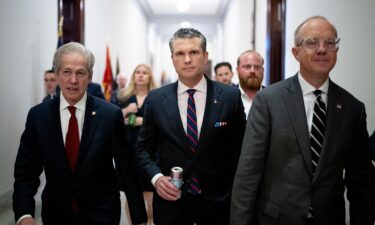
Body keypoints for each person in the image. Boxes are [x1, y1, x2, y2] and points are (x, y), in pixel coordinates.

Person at [230, 16, 375, 225]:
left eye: (330, 42)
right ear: (296, 53)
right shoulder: (269, 100)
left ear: (337, 50)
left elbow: (361, 181)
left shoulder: (353, 109)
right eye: (312, 42)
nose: (322, 49)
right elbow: (248, 173)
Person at [13, 42, 147, 225]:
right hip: (55, 215)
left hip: (102, 216)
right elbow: (25, 174)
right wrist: (24, 215)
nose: (73, 80)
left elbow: (127, 172)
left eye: (80, 73)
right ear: (57, 74)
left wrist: (139, 220)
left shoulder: (110, 115)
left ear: (90, 76)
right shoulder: (38, 116)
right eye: (67, 72)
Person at [136, 28, 246, 225]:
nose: (187, 59)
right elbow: (143, 149)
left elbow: (240, 150)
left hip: (218, 205)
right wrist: (156, 178)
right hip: (171, 205)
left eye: (194, 52)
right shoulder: (156, 99)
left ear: (205, 56)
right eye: (180, 53)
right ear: (172, 58)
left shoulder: (229, 97)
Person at [117, 64, 156, 225]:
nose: (140, 75)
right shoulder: (123, 97)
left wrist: (143, 121)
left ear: (149, 77)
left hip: (149, 150)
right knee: (131, 192)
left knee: (150, 193)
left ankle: (150, 221)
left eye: (144, 73)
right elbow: (110, 118)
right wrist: (125, 112)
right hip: (128, 149)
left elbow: (163, 121)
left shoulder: (156, 97)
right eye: (137, 73)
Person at [236, 50, 265, 118]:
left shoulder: (272, 98)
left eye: (257, 67)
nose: (253, 71)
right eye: (247, 67)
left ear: (263, 70)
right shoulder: (227, 98)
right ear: (238, 70)